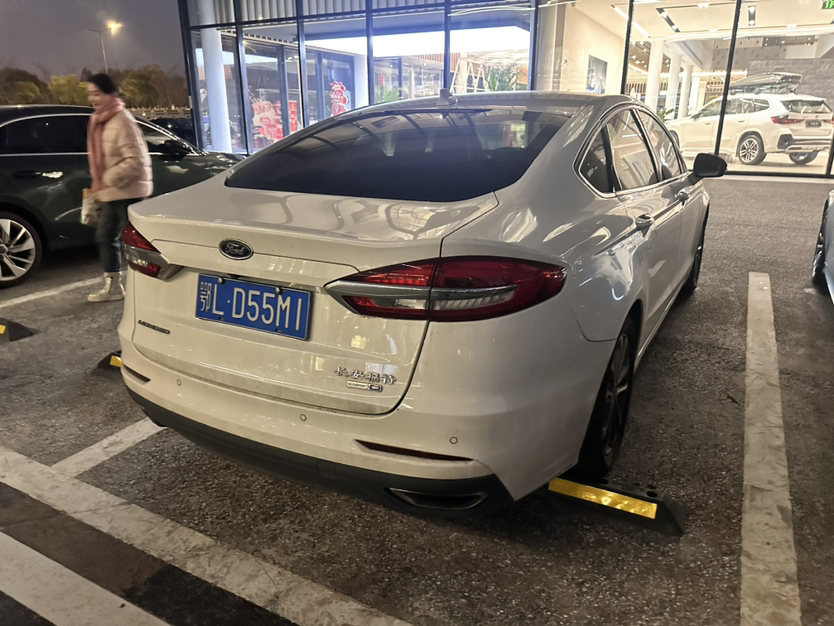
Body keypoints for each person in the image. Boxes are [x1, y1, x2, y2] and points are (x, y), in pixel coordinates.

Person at [85, 73, 152, 302]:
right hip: (110, 191)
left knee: (137, 243)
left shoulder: (122, 120)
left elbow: (136, 160)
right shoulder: (98, 121)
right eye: (90, 94)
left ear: (110, 94)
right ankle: (114, 286)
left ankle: (150, 289)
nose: (92, 99)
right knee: (105, 237)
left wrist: (109, 177)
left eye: (97, 93)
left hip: (128, 191)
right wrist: (100, 184)